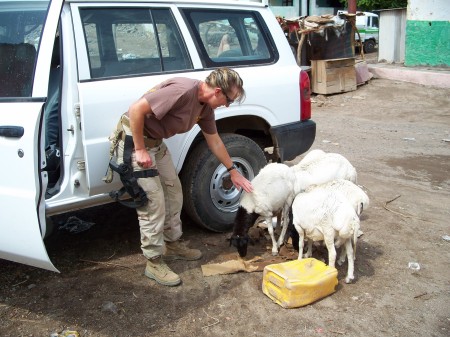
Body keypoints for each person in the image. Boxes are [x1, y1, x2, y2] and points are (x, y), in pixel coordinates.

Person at [110, 67, 253, 286]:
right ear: (217, 91)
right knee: (153, 202)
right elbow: (136, 109)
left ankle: (172, 244)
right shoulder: (183, 91)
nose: (227, 105)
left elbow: (214, 141)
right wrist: (139, 149)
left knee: (173, 193)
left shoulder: (205, 108)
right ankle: (154, 261)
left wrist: (233, 170)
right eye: (229, 100)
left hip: (155, 144)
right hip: (136, 140)